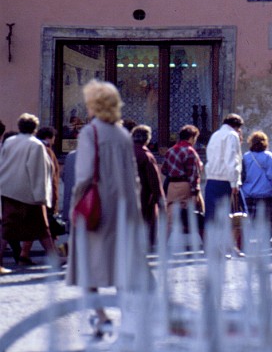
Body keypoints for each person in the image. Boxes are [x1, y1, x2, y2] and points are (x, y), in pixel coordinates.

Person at [66, 81, 145, 336]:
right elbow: (135, 179)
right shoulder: (123, 135)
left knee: (87, 266)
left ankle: (100, 316)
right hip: (124, 208)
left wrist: (74, 205)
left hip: (97, 208)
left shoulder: (91, 133)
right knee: (121, 265)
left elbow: (85, 174)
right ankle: (127, 318)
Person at [0, 113, 59, 273]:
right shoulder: (36, 145)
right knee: (42, 229)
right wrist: (43, 197)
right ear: (34, 128)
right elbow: (38, 172)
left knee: (6, 228)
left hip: (8, 191)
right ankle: (53, 260)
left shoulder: (10, 142)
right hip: (28, 193)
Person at [205, 114, 244, 255]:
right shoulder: (232, 135)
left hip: (212, 178)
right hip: (225, 180)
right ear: (238, 126)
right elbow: (231, 160)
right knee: (230, 215)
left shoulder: (215, 135)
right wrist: (234, 182)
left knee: (213, 215)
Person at [162, 125, 205, 239]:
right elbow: (193, 174)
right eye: (195, 137)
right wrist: (195, 192)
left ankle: (164, 242)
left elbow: (164, 170)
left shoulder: (170, 150)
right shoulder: (190, 151)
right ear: (191, 137)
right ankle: (204, 241)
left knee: (171, 214)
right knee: (193, 212)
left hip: (172, 185)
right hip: (185, 184)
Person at [242, 131, 272, 246]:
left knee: (249, 220)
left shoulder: (246, 157)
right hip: (267, 193)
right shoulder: (269, 156)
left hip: (250, 193)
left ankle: (246, 242)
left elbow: (243, 175)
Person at [132, 125, 165, 248]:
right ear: (147, 139)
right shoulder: (146, 156)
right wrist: (160, 200)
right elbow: (154, 182)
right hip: (144, 197)